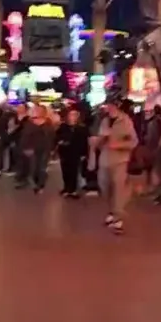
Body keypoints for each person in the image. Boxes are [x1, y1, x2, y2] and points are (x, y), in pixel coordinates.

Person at [96, 98, 137, 234]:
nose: (109, 108)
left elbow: (134, 142)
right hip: (104, 159)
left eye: (111, 105)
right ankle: (112, 211)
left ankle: (118, 218)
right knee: (104, 186)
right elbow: (100, 140)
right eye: (107, 105)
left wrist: (118, 145)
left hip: (120, 160)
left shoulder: (125, 121)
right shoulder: (105, 121)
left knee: (118, 188)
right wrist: (99, 140)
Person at [18, 104, 55, 192]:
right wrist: (25, 148)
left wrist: (52, 149)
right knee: (33, 167)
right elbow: (25, 137)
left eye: (39, 110)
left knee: (42, 167)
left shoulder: (48, 124)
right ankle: (33, 181)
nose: (37, 112)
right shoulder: (30, 123)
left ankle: (40, 184)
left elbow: (52, 137)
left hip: (45, 149)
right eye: (36, 110)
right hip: (32, 149)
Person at [55, 107, 89, 198]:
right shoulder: (63, 126)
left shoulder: (82, 128)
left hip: (76, 152)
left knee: (74, 171)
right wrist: (60, 141)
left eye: (75, 114)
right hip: (64, 152)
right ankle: (66, 188)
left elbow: (84, 141)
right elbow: (57, 137)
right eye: (71, 114)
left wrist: (84, 153)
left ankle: (73, 189)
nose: (72, 116)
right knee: (65, 171)